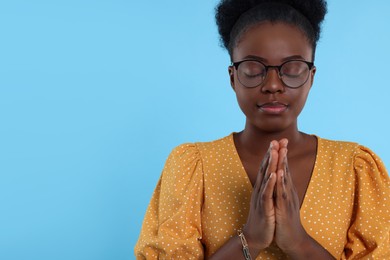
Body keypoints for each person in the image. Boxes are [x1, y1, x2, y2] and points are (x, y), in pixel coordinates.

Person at [134, 0, 390, 259]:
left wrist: (298, 243)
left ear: (311, 76)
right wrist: (251, 238)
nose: (273, 85)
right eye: (254, 69)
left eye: (291, 69)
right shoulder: (192, 167)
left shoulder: (355, 169)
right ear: (233, 77)